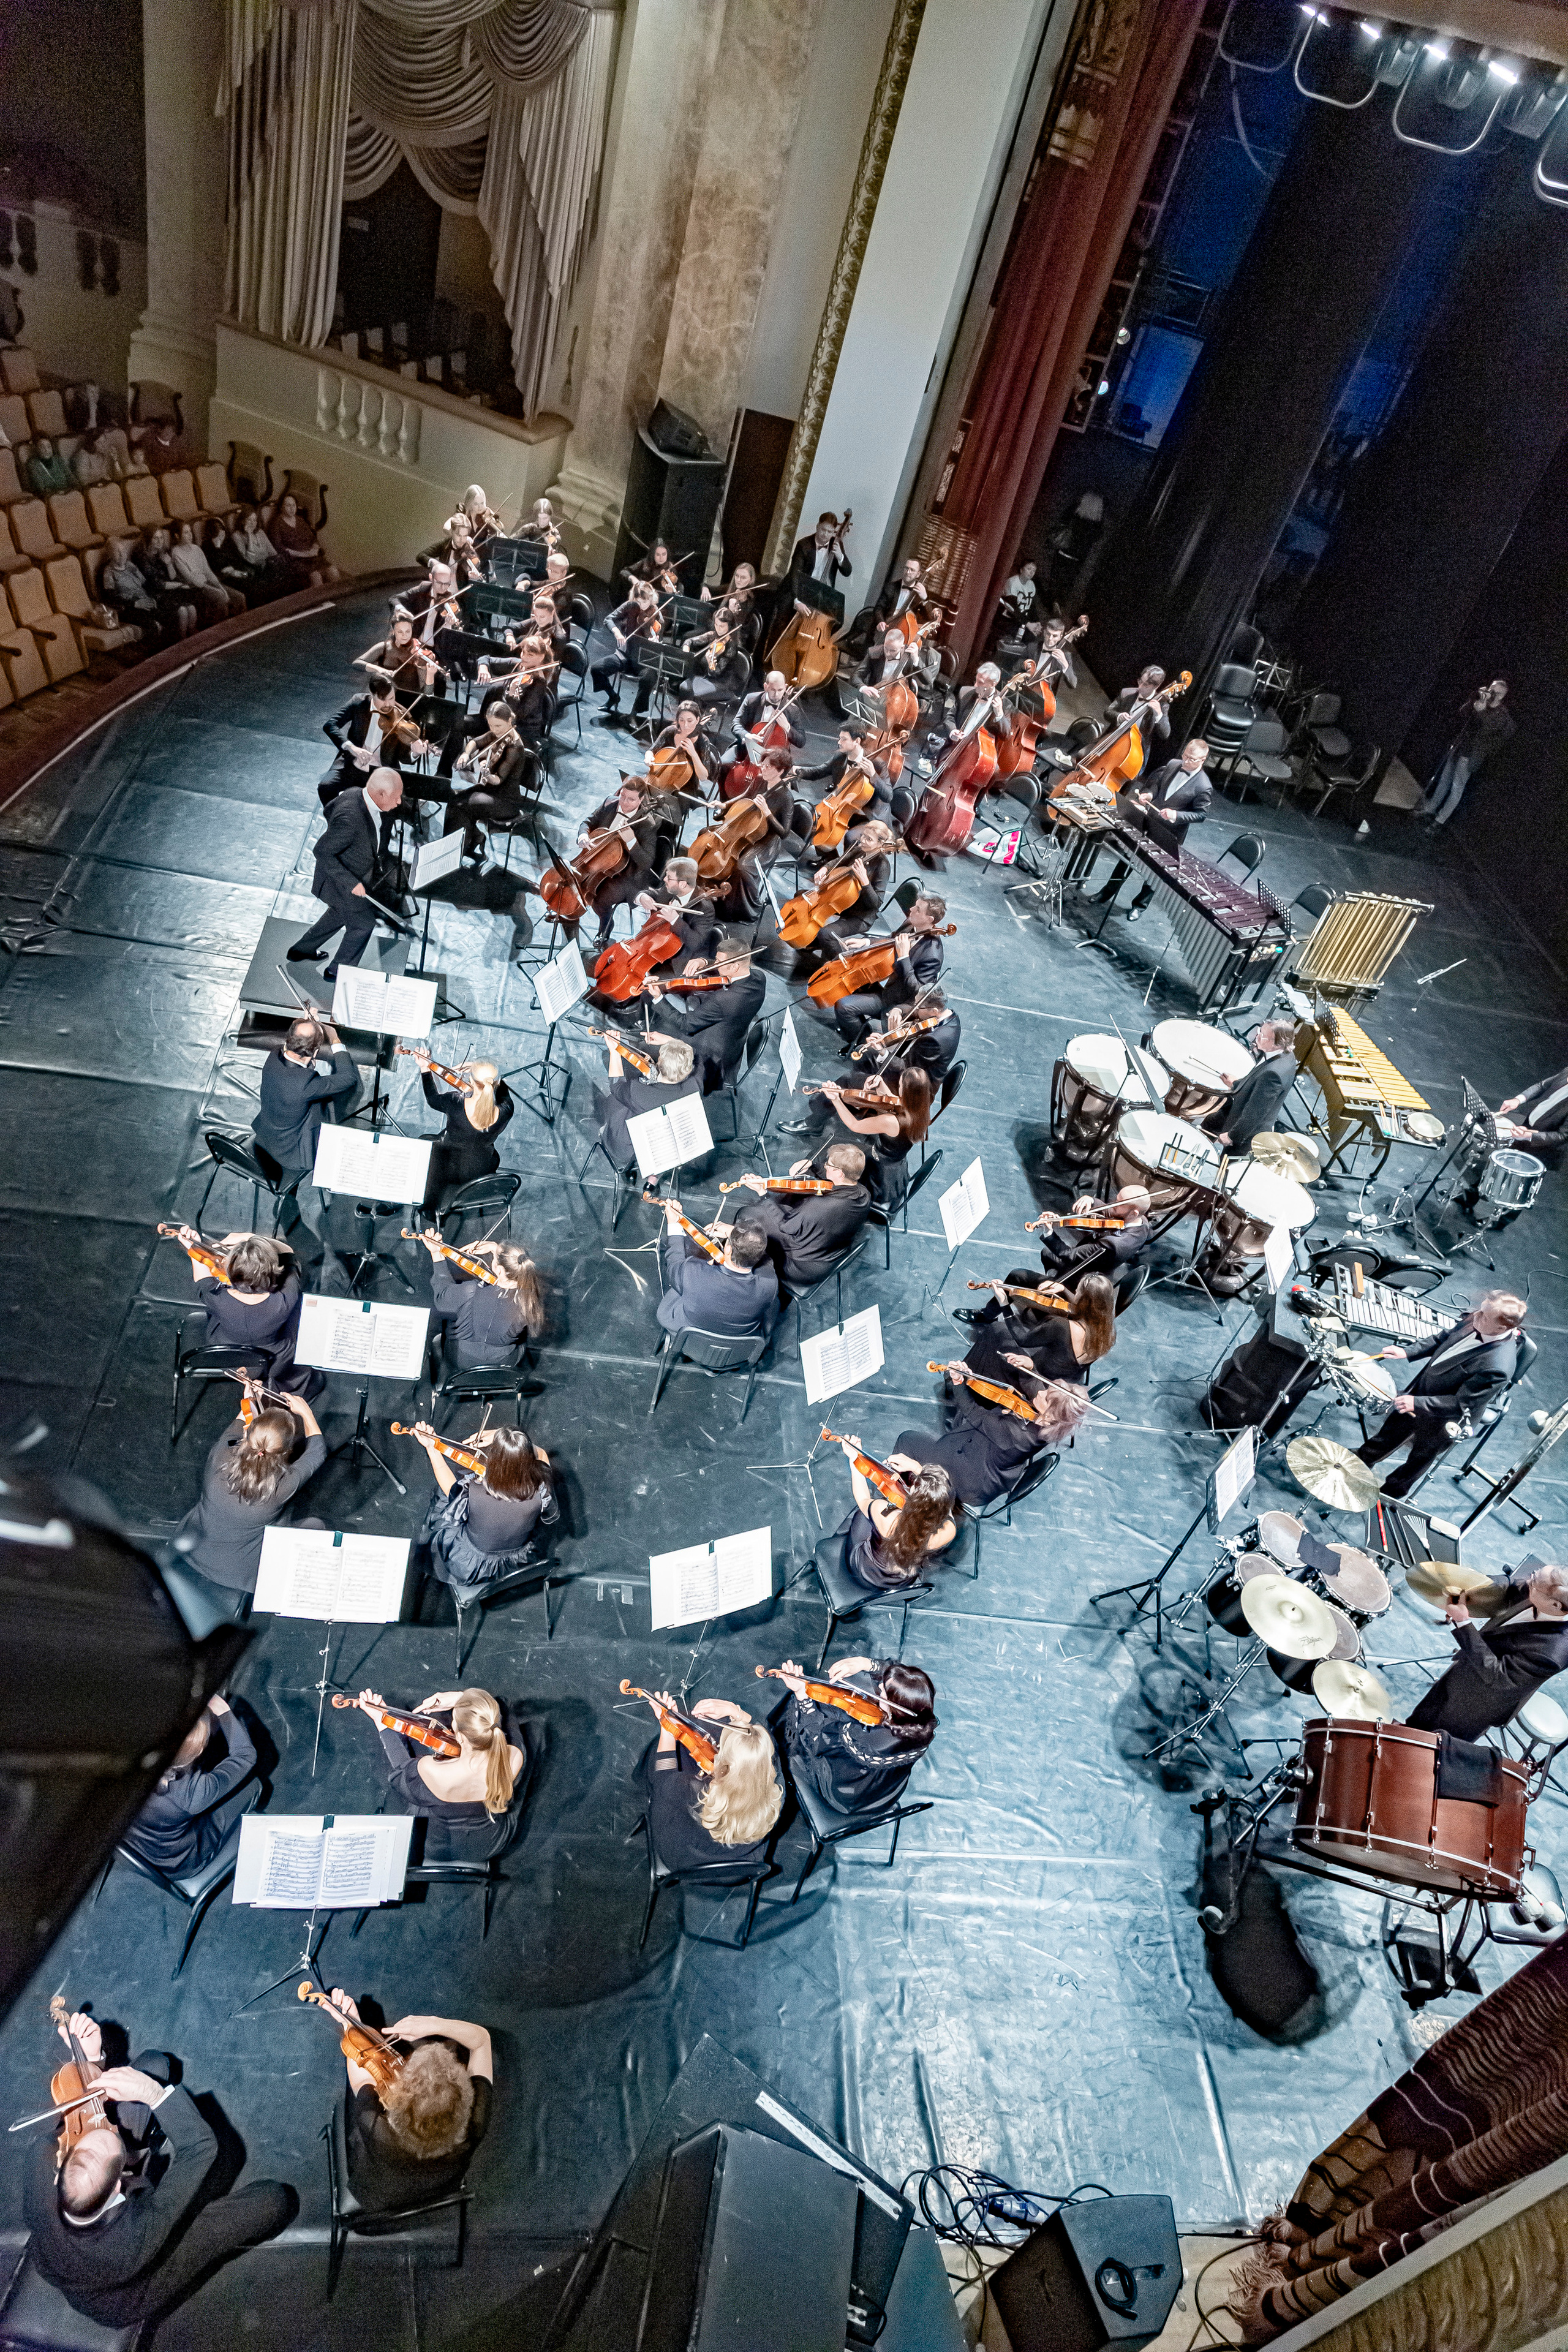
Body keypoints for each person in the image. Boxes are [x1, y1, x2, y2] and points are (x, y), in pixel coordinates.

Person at [24, 2011, 293, 2329]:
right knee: (275, 2201)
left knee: (154, 2064)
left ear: (64, 2162)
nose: (105, 2123)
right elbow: (201, 2148)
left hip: (87, 2241)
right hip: (128, 2286)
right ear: (118, 2185)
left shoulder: (40, 2159)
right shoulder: (130, 2240)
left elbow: (78, 2115)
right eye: (114, 2138)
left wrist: (89, 2059)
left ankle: (150, 2142)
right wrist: (153, 2095)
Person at [328, 1991, 493, 2214]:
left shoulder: (375, 2128)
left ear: (399, 2100)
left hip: (381, 2197)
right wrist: (437, 2024)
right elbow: (482, 2039)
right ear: (465, 2097)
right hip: (443, 2188)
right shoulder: (476, 2121)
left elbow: (363, 2066)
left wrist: (351, 2021)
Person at [1355, 1289, 1528, 1499]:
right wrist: (1409, 1351)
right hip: (1423, 1392)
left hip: (1447, 1418)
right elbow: (1442, 1339)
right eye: (1480, 1309)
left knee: (1420, 1457)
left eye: (1483, 1314)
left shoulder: (1498, 1366)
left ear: (1500, 1327)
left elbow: (1461, 1403)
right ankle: (1362, 1459)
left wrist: (1417, 1403)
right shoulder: (1477, 1319)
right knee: (1392, 1430)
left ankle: (1391, 1493)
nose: (1476, 1315)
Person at [173, 1392, 326, 1612]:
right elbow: (317, 1452)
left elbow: (239, 1423)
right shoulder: (282, 1486)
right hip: (240, 1572)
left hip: (193, 1548)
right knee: (316, 1525)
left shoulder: (221, 1455)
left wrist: (249, 1401)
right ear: (286, 1450)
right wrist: (306, 1412)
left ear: (250, 1436)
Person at [352, 1683, 526, 1856]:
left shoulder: (431, 1770)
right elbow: (500, 1713)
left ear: (459, 1736)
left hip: (437, 1847)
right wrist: (462, 1698)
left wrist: (381, 1721)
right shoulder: (514, 1757)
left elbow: (401, 1771)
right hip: (491, 1844)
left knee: (416, 1799)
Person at [628, 1687, 783, 1870]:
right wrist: (736, 1712)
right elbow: (767, 1747)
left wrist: (668, 1727)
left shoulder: (692, 1789)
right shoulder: (777, 1793)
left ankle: (639, 1778)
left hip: (687, 1862)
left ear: (726, 1763)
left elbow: (663, 1775)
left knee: (657, 1760)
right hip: (745, 1865)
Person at [1409, 1562, 1568, 1737]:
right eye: (1534, 1575)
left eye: (1534, 1584)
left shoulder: (1553, 1654)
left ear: (1556, 1606)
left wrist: (1463, 1623)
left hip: (1478, 1702)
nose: (1528, 1581)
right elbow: (1510, 1584)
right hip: (1468, 1666)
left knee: (1435, 1741)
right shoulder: (1542, 1587)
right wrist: (1469, 1588)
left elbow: (1499, 1677)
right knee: (1423, 1715)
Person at [407, 1423, 557, 1608]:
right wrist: (511, 1442)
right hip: (518, 1563)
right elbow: (541, 1455)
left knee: (443, 1499)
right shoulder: (542, 1490)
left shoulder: (473, 1493)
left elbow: (449, 1488)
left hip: (470, 1567)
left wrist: (432, 1448)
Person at [895, 1373, 1091, 1509]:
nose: (1040, 1392)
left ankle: (900, 1497)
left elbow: (972, 1411)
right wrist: (1030, 1368)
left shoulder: (1016, 1437)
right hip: (992, 1471)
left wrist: (958, 1382)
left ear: (1050, 1415)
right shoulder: (1049, 1426)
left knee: (907, 1439)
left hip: (969, 1484)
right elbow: (1035, 1387)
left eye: (1046, 1396)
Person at [774, 1657, 935, 1819]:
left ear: (897, 1706)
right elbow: (900, 1677)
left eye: (884, 1691)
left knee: (808, 1719)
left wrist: (802, 1695)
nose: (880, 1686)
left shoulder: (867, 1741)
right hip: (887, 1792)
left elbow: (818, 1739)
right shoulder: (925, 1723)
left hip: (848, 1796)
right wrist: (863, 1663)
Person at [252, 1011, 360, 1248]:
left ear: (288, 1041)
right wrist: (334, 1038)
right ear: (314, 1053)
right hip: (290, 1154)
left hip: (265, 1137)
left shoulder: (275, 1056)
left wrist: (305, 1025)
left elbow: (296, 1042)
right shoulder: (304, 1085)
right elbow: (348, 1078)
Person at [285, 764, 403, 979]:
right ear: (381, 794)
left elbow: (329, 809)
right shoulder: (351, 819)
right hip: (341, 882)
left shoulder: (355, 793)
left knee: (338, 914)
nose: (399, 802)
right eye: (396, 797)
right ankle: (337, 971)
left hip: (349, 878)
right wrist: (351, 883)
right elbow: (321, 851)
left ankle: (300, 951)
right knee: (363, 925)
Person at [119, 1694, 256, 1875]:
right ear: (198, 1749)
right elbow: (246, 1755)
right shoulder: (194, 1793)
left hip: (137, 1845)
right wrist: (223, 1711)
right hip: (182, 1861)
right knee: (254, 1785)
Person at [170, 1225, 315, 1395]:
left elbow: (202, 1274)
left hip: (227, 1356)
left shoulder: (216, 1297)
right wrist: (251, 1237)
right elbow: (288, 1252)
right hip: (274, 1360)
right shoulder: (286, 1299)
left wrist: (195, 1245)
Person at [718, 1144, 872, 1289]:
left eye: (828, 1165)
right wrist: (812, 1165)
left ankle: (737, 1258)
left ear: (839, 1173)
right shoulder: (864, 1194)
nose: (825, 1165)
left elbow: (786, 1226)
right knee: (782, 1206)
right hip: (832, 1253)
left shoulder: (817, 1207)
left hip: (801, 1267)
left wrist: (763, 1194)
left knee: (747, 1214)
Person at [1090, 736, 1212, 915]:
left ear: (1202, 760)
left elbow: (1201, 815)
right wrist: (1149, 795)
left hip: (1170, 833)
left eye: (1191, 760)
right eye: (1185, 756)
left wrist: (1177, 815)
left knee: (1155, 873)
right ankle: (1106, 893)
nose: (1185, 761)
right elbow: (1158, 786)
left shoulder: (1203, 786)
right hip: (1149, 821)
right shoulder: (1173, 764)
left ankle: (1140, 906)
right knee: (1127, 859)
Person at [780, 1066, 931, 1211]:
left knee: (828, 1158)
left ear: (906, 1092)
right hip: (894, 1165)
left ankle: (798, 1194)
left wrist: (836, 1100)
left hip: (877, 1173)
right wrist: (881, 1084)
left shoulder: (891, 1122)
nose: (897, 1089)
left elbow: (855, 1125)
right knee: (836, 1144)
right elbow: (891, 1101)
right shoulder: (921, 1110)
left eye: (900, 1085)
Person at [824, 1435, 959, 1594]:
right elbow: (944, 1505)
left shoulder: (888, 1517)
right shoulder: (948, 1532)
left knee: (862, 1514)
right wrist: (918, 1470)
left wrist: (855, 1459)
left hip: (864, 1574)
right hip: (901, 1583)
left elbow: (863, 1499)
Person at [957, 1270, 1117, 1392]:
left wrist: (1005, 1304)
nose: (1075, 1293)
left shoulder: (1062, 1327)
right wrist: (1062, 1289)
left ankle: (962, 1379)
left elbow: (1023, 1339)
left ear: (1084, 1301)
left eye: (1078, 1292)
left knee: (996, 1329)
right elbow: (1078, 1307)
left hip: (1041, 1378)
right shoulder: (1108, 1330)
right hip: (1070, 1380)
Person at [646, 932, 765, 1093]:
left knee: (647, 1048)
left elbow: (686, 1025)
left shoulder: (723, 999)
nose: (714, 965)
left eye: (718, 962)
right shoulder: (759, 977)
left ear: (735, 967)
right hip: (732, 1046)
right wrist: (703, 961)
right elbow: (724, 965)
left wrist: (658, 998)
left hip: (710, 1059)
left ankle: (660, 1090)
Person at [654, 1199, 778, 1341]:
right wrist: (737, 1235)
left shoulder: (694, 1272)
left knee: (679, 1286)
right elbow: (765, 1258)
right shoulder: (770, 1284)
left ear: (728, 1249)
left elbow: (674, 1263)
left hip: (690, 1338)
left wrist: (673, 1224)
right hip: (737, 1346)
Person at [415, 1232, 541, 1368]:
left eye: (494, 1259)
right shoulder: (530, 1299)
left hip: (462, 1362)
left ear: (499, 1270)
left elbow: (442, 1298)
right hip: (503, 1365)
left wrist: (437, 1254)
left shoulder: (470, 1290)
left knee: (449, 1319)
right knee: (521, 1339)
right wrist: (495, 1247)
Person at [414, 1053, 513, 1205]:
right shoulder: (506, 1110)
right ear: (496, 1082)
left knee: (425, 1141)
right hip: (482, 1169)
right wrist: (482, 1072)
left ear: (471, 1081)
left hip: (450, 1169)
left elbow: (432, 1099)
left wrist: (425, 1069)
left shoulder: (454, 1102)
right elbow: (502, 1089)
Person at [594, 1035, 700, 1172]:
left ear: (660, 1062)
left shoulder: (639, 1092)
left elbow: (616, 1087)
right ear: (688, 1069)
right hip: (665, 1149)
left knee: (612, 1101)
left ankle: (605, 1133)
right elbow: (695, 1053)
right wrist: (674, 1045)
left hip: (628, 1154)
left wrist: (615, 1052)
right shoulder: (696, 1086)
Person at [1422, 679, 1515, 828]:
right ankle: (1429, 809)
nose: (1491, 693)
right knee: (1444, 782)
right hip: (1460, 747)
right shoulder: (1481, 702)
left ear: (1501, 696)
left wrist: (1482, 711)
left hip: (1472, 755)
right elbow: (1462, 712)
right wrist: (1474, 699)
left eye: (1495, 692)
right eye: (1491, 689)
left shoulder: (1502, 714)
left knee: (1456, 788)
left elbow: (1487, 730)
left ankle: (1439, 821)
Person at [320, 680, 428, 807]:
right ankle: (339, 822)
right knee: (325, 787)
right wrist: (352, 748)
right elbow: (330, 725)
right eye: (382, 700)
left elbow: (403, 756)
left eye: (391, 698)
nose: (388, 704)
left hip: (381, 772)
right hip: (352, 764)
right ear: (372, 695)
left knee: (390, 807)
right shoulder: (359, 703)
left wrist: (415, 753)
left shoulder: (403, 716)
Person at [1200, 1020, 1300, 1155]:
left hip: (1247, 1130)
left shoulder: (1273, 1075)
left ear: (1277, 1043)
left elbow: (1254, 1114)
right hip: (1238, 1107)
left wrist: (1232, 1136)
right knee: (1210, 1124)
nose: (1257, 1036)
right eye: (1260, 1031)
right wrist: (1237, 1084)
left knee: (1227, 1162)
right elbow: (1257, 1081)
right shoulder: (1285, 1054)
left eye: (1263, 1036)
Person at [447, 704, 530, 862]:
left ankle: (459, 850)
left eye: (498, 725)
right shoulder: (495, 734)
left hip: (505, 800)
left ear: (510, 720)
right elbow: (475, 742)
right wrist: (465, 754)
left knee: (462, 805)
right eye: (491, 725)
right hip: (490, 791)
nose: (495, 730)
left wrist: (487, 774)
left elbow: (498, 779)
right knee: (453, 801)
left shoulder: (515, 748)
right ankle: (462, 845)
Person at [1027, 1184, 1154, 1287]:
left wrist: (1049, 1233)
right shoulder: (1141, 1221)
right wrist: (1091, 1200)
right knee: (1046, 1253)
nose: (1113, 1204)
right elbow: (1108, 1209)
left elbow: (1071, 1255)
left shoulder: (1115, 1244)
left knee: (1018, 1275)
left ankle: (1057, 1285)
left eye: (1118, 1204)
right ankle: (1053, 1277)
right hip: (1096, 1264)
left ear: (1133, 1213)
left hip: (1082, 1277)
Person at [591, 577, 662, 717]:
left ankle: (634, 714)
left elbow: (660, 637)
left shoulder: (657, 614)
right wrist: (617, 632)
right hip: (625, 654)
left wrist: (655, 640)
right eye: (639, 602)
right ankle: (613, 696)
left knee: (649, 679)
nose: (642, 606)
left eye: (646, 602)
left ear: (652, 599)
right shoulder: (630, 606)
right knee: (596, 669)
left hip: (644, 660)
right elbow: (608, 619)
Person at [634, 855, 720, 963]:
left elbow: (696, 943)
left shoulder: (705, 909)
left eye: (669, 878)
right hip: (657, 948)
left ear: (683, 884)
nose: (665, 879)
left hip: (680, 962)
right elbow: (655, 894)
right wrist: (643, 896)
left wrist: (675, 920)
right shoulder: (670, 889)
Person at [168, 519, 245, 623]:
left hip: (207, 582)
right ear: (177, 536)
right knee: (221, 597)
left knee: (240, 597)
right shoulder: (176, 553)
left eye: (190, 531)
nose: (190, 535)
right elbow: (191, 579)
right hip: (196, 588)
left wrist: (220, 587)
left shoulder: (196, 549)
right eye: (186, 533)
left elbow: (208, 572)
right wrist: (219, 591)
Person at [356, 608, 441, 698]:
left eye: (408, 631)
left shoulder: (418, 654)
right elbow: (357, 663)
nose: (405, 636)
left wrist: (431, 675)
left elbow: (427, 692)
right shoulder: (383, 648)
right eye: (400, 632)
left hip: (409, 702)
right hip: (385, 698)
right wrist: (379, 669)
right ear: (393, 631)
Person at [97, 536, 167, 641]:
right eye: (117, 552)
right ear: (110, 555)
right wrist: (135, 604)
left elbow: (145, 584)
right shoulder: (108, 572)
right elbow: (110, 597)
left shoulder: (130, 566)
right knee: (153, 625)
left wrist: (152, 598)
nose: (122, 555)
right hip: (128, 609)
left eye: (124, 551)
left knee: (169, 615)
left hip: (144, 602)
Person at [270, 489, 339, 587]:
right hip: (296, 560)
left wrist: (314, 549)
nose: (292, 508)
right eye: (288, 505)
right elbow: (279, 548)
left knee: (333, 571)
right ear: (281, 507)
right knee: (316, 576)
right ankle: (321, 601)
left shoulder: (300, 521)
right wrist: (303, 554)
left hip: (312, 556)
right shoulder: (276, 524)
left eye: (294, 505)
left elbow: (313, 539)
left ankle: (338, 599)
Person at [684, 606, 749, 707]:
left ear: (730, 626)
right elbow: (690, 641)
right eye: (716, 624)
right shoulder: (713, 635)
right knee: (685, 687)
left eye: (722, 626)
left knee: (695, 694)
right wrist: (686, 651)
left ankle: (695, 718)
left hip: (722, 684)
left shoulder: (731, 647)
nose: (718, 629)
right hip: (709, 679)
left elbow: (716, 673)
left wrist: (711, 663)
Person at [23, 433, 72, 498]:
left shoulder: (58, 459)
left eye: (49, 446)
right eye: (42, 447)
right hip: (51, 498)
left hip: (69, 494)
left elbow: (71, 477)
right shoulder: (32, 464)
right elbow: (41, 488)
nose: (47, 450)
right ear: (36, 449)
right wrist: (58, 494)